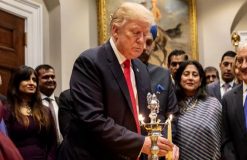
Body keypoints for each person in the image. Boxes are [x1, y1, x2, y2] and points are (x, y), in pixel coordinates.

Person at [58, 2, 177, 160]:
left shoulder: (140, 68)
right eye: (136, 33)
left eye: (145, 34)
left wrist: (161, 143)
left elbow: (144, 118)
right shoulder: (90, 61)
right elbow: (93, 119)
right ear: (115, 30)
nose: (142, 41)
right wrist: (141, 143)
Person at [5, 65, 57, 160]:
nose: (31, 83)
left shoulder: (45, 110)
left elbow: (52, 142)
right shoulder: (7, 111)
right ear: (16, 83)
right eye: (26, 79)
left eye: (34, 80)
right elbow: (5, 142)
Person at [173, 60, 222, 160]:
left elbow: (223, 135)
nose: (190, 78)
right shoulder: (172, 105)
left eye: (195, 75)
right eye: (186, 74)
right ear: (179, 79)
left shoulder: (213, 104)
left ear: (200, 81)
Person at [138, 25, 179, 134]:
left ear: (153, 45)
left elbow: (172, 116)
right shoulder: (121, 72)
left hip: (160, 143)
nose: (144, 48)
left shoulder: (163, 74)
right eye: (140, 42)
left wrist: (160, 141)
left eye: (148, 43)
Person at [35, 64, 63, 143]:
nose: (51, 80)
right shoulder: (32, 103)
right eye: (46, 77)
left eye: (53, 77)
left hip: (64, 151)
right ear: (36, 81)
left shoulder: (62, 102)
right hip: (43, 150)